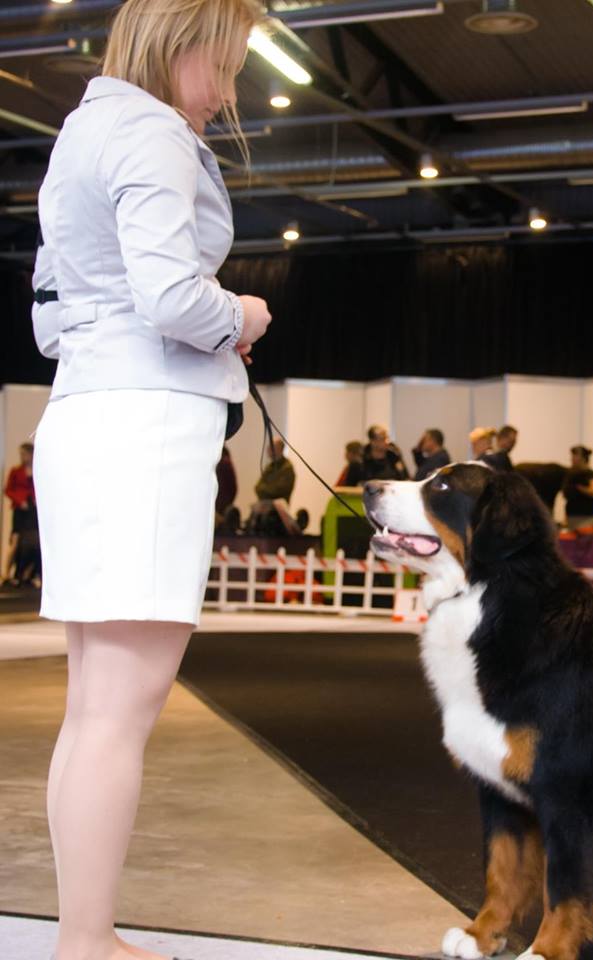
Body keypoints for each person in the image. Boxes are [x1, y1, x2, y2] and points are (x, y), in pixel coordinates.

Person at [29, 4, 271, 960]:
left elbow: (51, 310)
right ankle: (87, 945)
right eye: (227, 65)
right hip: (144, 426)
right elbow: (173, 298)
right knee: (117, 713)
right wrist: (245, 312)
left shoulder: (83, 130)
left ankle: (85, 934)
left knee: (94, 709)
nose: (228, 91)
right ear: (184, 46)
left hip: (83, 413)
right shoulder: (153, 132)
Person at [4, 441, 38, 586]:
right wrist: (20, 500)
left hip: (33, 510)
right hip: (20, 511)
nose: (23, 457)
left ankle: (29, 574)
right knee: (16, 541)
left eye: (25, 454)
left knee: (34, 542)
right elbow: (8, 490)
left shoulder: (38, 470)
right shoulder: (16, 471)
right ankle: (6, 573)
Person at [563, 445, 593, 529]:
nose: (572, 458)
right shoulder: (570, 474)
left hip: (587, 518)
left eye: (575, 456)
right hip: (571, 516)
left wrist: (578, 487)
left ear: (583, 458)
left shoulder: (591, 474)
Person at [255, 437, 295, 503]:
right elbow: (257, 487)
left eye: (272, 447)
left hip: (278, 510)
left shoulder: (287, 468)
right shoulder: (270, 466)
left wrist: (265, 489)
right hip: (265, 507)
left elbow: (277, 491)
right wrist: (266, 489)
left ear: (280, 449)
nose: (268, 449)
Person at [215, 445, 237, 520]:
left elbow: (231, 489)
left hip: (219, 509)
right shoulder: (224, 461)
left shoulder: (223, 462)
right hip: (220, 508)